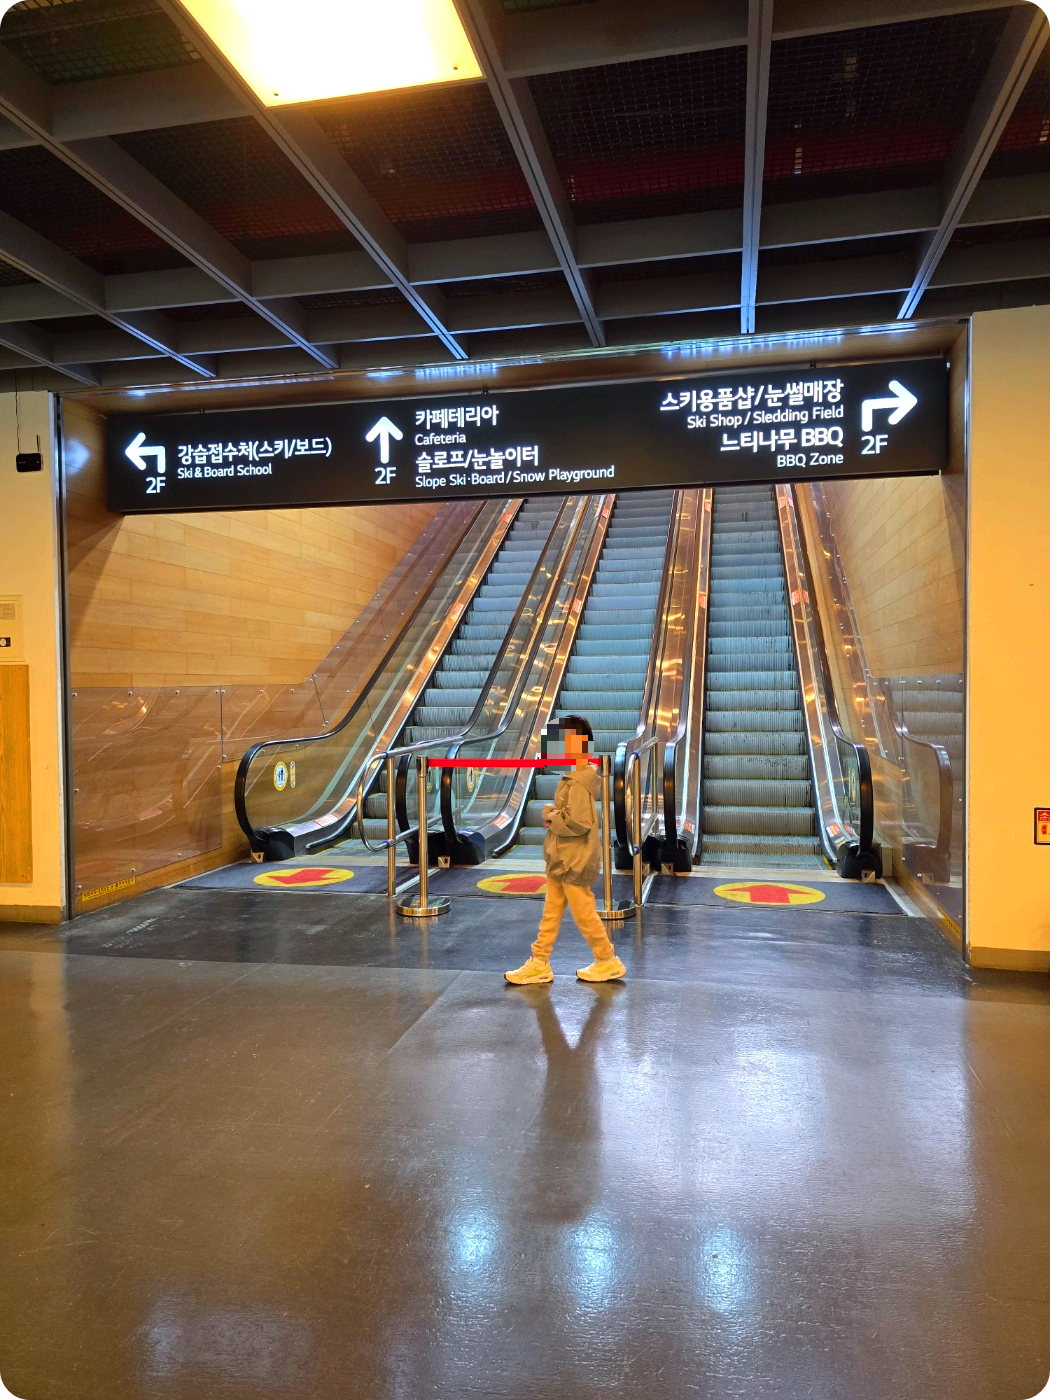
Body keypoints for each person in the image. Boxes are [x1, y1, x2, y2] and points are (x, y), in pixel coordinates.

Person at [504, 714, 626, 985]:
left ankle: (606, 959)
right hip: (563, 857)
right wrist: (556, 812)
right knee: (552, 911)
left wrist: (552, 816)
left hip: (573, 858)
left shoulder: (580, 782)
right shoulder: (575, 777)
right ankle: (539, 960)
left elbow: (579, 822)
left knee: (583, 911)